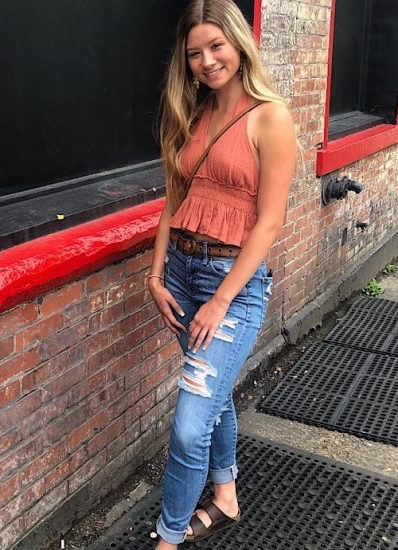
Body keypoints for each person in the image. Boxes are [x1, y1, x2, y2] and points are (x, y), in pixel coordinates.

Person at [147, 0, 296, 547]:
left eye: (216, 46)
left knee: (190, 425)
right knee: (212, 394)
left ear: (238, 43)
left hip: (229, 285)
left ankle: (168, 538)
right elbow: (172, 199)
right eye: (195, 53)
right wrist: (156, 275)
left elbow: (270, 223)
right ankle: (226, 495)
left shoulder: (270, 117)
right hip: (182, 274)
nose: (207, 61)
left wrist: (220, 303)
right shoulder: (194, 114)